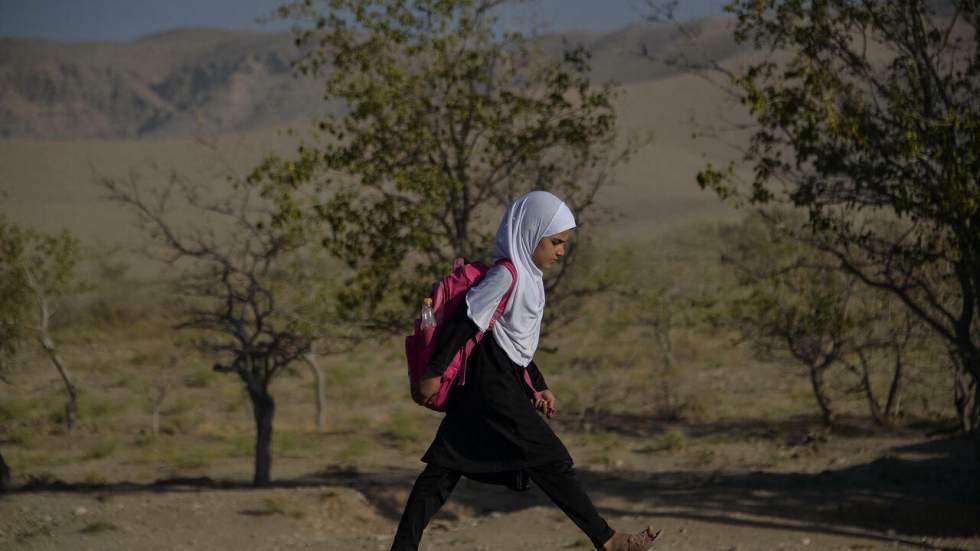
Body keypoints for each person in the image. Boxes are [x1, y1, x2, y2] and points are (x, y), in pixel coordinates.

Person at [390, 191, 661, 551]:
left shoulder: (529, 279)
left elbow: (514, 345)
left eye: (563, 243)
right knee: (551, 459)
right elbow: (466, 323)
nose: (561, 251)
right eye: (555, 242)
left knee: (441, 474)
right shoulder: (506, 275)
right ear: (530, 234)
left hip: (494, 383)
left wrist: (538, 385)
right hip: (490, 387)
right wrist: (434, 372)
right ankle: (608, 541)